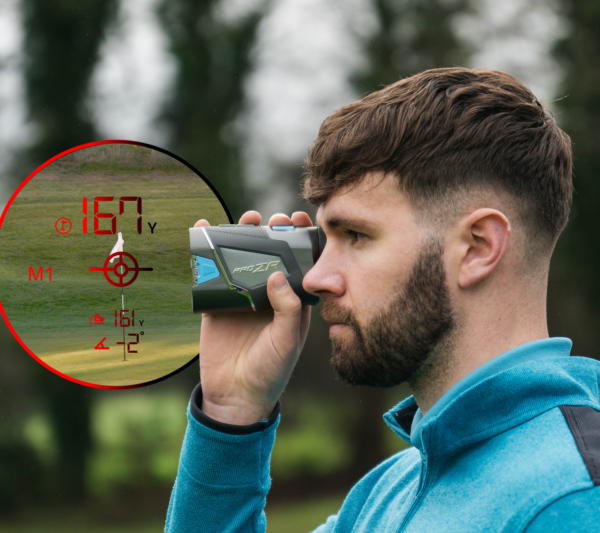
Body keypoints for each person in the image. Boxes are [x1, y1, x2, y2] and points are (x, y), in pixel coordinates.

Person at [165, 68, 600, 532]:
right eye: (321, 239)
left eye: (355, 234)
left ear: (478, 247)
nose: (314, 278)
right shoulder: (383, 496)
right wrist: (232, 414)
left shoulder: (573, 498)